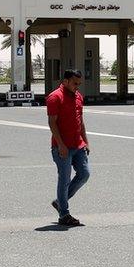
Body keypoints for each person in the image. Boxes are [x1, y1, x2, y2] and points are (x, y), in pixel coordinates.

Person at [46, 69, 91, 227]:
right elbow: (52, 123)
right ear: (65, 81)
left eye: (79, 83)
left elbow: (81, 120)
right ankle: (64, 214)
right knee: (64, 179)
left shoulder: (78, 96)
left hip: (78, 145)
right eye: (74, 83)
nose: (77, 86)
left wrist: (86, 141)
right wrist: (61, 145)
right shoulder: (55, 97)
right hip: (62, 147)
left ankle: (60, 201)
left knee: (84, 174)